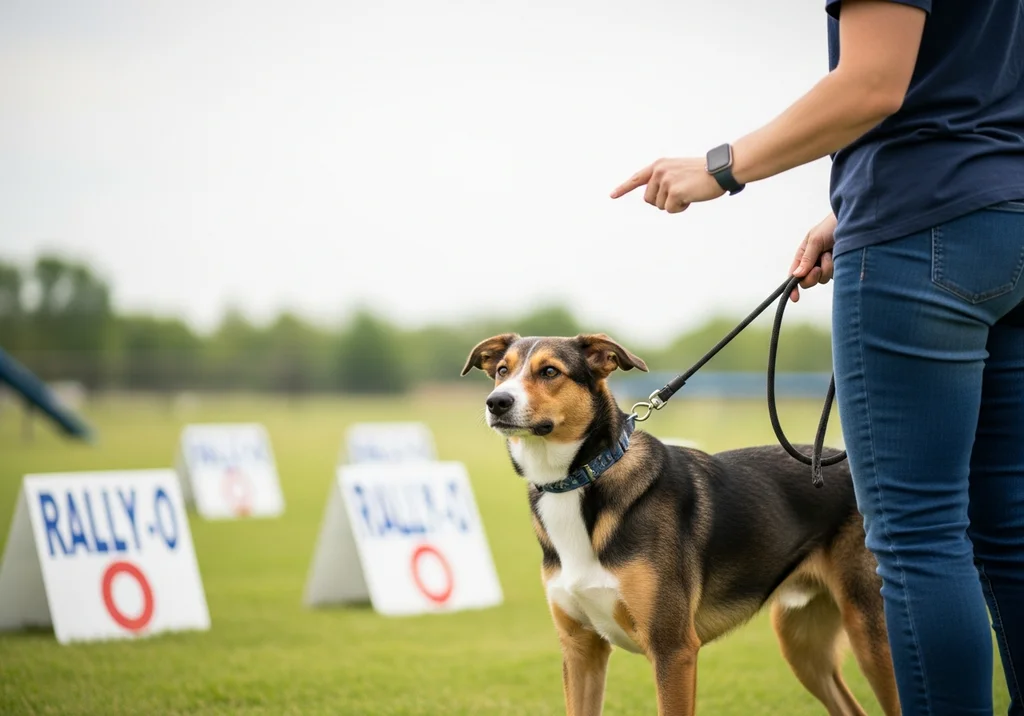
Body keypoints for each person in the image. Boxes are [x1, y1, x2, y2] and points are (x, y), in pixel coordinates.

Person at [609, 1, 1024, 714]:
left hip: (918, 227)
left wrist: (722, 167)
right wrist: (847, 209)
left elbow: (872, 84)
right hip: (1009, 220)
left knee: (919, 537)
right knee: (1011, 530)